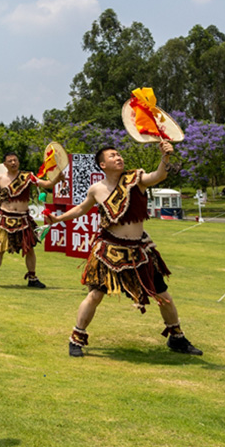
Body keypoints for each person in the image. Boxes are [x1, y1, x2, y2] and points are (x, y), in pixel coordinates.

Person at [44, 142, 203, 358]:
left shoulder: (135, 179)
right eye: (112, 156)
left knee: (163, 295)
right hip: (109, 250)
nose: (118, 158)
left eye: (119, 155)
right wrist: (58, 218)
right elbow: (82, 208)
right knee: (95, 296)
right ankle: (76, 338)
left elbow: (158, 176)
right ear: (102, 164)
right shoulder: (97, 189)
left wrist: (165, 157)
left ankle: (176, 337)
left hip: (140, 251)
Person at [0, 151, 61, 288]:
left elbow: (46, 184)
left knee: (30, 248)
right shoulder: (0, 178)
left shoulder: (28, 176)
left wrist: (56, 179)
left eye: (15, 160)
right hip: (5, 218)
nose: (13, 163)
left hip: (23, 218)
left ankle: (32, 278)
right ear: (5, 164)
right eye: (10, 161)